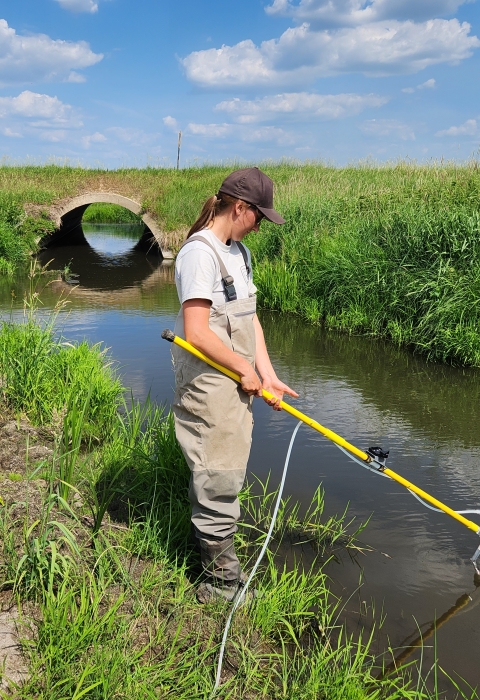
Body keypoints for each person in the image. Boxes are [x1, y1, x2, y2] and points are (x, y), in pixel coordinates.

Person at [171, 167, 298, 603]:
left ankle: (217, 568)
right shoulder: (199, 254)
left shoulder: (238, 253)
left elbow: (250, 319)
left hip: (237, 384)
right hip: (210, 387)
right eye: (259, 215)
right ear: (240, 207)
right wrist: (244, 372)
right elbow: (197, 332)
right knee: (217, 475)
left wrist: (267, 373)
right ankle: (219, 584)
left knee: (227, 468)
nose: (261, 224)